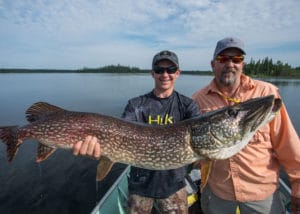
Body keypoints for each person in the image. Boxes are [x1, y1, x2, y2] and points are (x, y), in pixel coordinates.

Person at [73, 50, 200, 213]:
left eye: (170, 70)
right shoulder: (136, 105)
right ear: (152, 73)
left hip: (173, 186)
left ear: (178, 73)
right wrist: (101, 148)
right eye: (160, 70)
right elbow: (117, 136)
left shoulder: (188, 106)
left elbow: (199, 142)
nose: (165, 74)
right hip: (140, 186)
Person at [192, 37, 300, 214]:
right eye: (223, 59)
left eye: (236, 59)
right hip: (219, 195)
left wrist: (298, 182)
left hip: (261, 195)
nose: (230, 64)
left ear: (242, 64)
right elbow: (195, 152)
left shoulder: (266, 93)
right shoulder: (197, 99)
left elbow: (287, 143)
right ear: (213, 64)